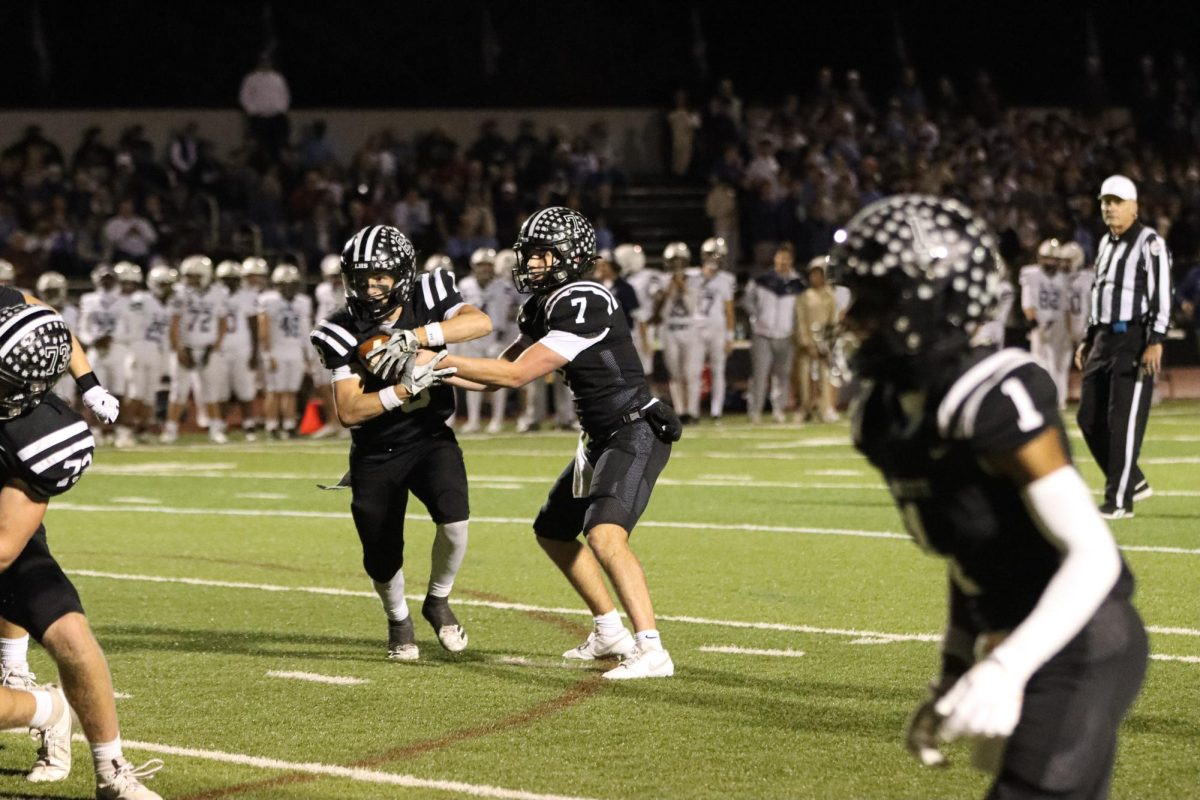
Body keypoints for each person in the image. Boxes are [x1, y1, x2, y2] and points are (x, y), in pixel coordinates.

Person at [828, 194, 1147, 799]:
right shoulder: (885, 413)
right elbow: (969, 559)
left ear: (924, 302)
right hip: (1011, 637)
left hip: (1081, 635)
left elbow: (1095, 556)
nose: (851, 321)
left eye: (871, 302)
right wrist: (954, 669)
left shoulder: (990, 395)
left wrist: (1007, 666)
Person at [436, 207, 682, 679]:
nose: (530, 264)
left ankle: (652, 649)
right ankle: (610, 631)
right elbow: (492, 376)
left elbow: (513, 376)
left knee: (606, 535)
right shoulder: (543, 305)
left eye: (541, 255)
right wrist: (430, 372)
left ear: (570, 257)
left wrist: (436, 355)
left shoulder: (584, 297)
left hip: (633, 429)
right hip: (598, 437)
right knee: (553, 530)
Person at [0, 300, 163, 799]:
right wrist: (90, 382)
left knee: (72, 636)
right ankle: (44, 707)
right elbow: (46, 317)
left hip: (4, 532)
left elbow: (5, 548)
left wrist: (88, 385)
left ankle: (110, 767)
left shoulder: (43, 435)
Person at [309, 224, 492, 661]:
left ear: (403, 276)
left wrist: (418, 337)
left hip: (430, 437)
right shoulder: (338, 329)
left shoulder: (429, 294)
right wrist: (405, 388)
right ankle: (398, 619)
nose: (370, 288)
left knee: (455, 521)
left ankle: (438, 600)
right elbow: (349, 410)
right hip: (375, 450)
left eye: (380, 278)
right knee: (382, 550)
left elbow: (479, 323)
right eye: (361, 278)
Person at [1076, 175, 1172, 519]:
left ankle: (1119, 501)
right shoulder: (1104, 242)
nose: (1109, 207)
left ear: (1134, 207)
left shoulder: (1150, 243)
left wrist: (1155, 340)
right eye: (1105, 201)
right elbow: (1099, 292)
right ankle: (1132, 480)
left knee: (1122, 421)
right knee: (1087, 418)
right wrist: (1089, 337)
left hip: (1134, 338)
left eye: (1116, 202)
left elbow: (1163, 294)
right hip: (1103, 337)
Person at [162, 255, 228, 444]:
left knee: (210, 391)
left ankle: (215, 428)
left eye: (196, 276)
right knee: (178, 391)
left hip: (207, 347)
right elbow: (173, 324)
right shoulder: (179, 293)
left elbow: (223, 322)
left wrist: (214, 347)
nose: (191, 280)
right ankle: (171, 429)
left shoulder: (217, 293)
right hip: (186, 347)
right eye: (189, 276)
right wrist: (179, 348)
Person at [744, 243, 804, 423]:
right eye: (780, 257)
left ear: (791, 260)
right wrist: (756, 317)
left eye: (786, 258)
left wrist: (796, 328)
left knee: (783, 375)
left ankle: (779, 409)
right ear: (775, 258)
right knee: (759, 375)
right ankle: (755, 411)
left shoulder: (798, 284)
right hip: (762, 333)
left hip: (786, 334)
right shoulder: (762, 280)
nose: (783, 261)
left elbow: (800, 310)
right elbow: (747, 301)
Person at [122, 265, 176, 442]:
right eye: (163, 284)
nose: (166, 288)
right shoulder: (141, 299)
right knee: (136, 393)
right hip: (140, 347)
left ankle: (142, 430)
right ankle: (124, 431)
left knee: (149, 395)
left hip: (157, 351)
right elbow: (132, 327)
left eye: (169, 284)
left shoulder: (168, 304)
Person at [258, 264, 313, 439]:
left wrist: (308, 354)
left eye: (291, 284)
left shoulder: (303, 302)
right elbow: (263, 328)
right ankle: (272, 426)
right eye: (284, 284)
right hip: (277, 351)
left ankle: (289, 425)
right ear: (277, 284)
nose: (288, 288)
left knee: (291, 390)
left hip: (295, 350)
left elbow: (305, 330)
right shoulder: (269, 300)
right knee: (274, 391)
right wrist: (267, 354)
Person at [1020, 239, 1072, 409]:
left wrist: (1070, 331)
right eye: (1047, 258)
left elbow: (1065, 309)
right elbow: (1027, 304)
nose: (1050, 262)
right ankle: (1047, 399)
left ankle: (1057, 400)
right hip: (1041, 324)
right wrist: (1034, 324)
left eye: (1053, 259)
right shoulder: (1031, 274)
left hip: (1058, 325)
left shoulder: (1063, 278)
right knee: (1043, 364)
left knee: (1058, 365)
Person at [214, 260, 261, 441]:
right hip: (221, 348)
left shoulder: (247, 296)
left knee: (245, 389)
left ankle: (249, 425)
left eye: (233, 279)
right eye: (226, 279)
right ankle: (221, 424)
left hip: (242, 347)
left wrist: (254, 352)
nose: (230, 282)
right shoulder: (215, 295)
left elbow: (253, 325)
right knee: (222, 390)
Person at [655, 242, 701, 423]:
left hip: (689, 329)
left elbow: (693, 308)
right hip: (670, 329)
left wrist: (683, 288)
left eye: (680, 261)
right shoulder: (661, 280)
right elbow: (660, 311)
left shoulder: (695, 279)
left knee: (691, 372)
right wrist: (670, 289)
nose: (677, 265)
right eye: (674, 261)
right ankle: (681, 411)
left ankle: (693, 411)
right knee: (675, 373)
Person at [693, 237, 736, 422]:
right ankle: (692, 410)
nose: (714, 258)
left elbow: (729, 310)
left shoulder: (726, 280)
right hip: (696, 327)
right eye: (711, 254)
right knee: (693, 370)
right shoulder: (693, 276)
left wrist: (730, 336)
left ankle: (716, 410)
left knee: (718, 370)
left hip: (717, 327)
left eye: (718, 255)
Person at [793, 256, 839, 423]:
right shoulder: (805, 297)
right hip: (806, 345)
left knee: (824, 378)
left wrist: (827, 343)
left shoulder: (830, 296)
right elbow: (800, 321)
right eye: (813, 274)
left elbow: (833, 321)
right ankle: (805, 408)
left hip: (824, 345)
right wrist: (806, 343)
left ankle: (824, 408)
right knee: (804, 379)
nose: (815, 278)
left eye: (818, 274)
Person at [310, 254, 346, 438]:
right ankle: (332, 421)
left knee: (343, 384)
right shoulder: (322, 290)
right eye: (333, 276)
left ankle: (346, 424)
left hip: (343, 343)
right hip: (323, 342)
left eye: (339, 275)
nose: (336, 280)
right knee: (322, 384)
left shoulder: (352, 291)